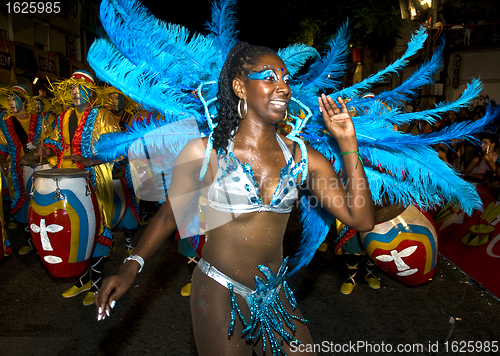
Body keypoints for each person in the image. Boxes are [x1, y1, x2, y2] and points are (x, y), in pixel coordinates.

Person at [95, 42, 375, 355]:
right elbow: (167, 215)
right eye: (269, 77)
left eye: (285, 79)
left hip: (274, 293)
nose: (282, 86)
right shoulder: (204, 153)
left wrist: (348, 143)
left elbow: (360, 218)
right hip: (217, 289)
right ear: (240, 87)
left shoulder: (304, 158)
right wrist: (131, 265)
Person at [36, 71, 121, 306]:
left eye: (79, 89)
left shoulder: (103, 116)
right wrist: (48, 151)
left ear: (90, 92)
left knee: (94, 228)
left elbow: (116, 149)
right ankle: (83, 279)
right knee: (73, 229)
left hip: (93, 179)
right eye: (71, 89)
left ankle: (96, 284)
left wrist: (91, 161)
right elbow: (55, 141)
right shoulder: (63, 117)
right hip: (66, 180)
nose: (74, 94)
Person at [0, 85, 52, 255]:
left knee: (39, 205)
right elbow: (2, 148)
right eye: (8, 99)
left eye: (14, 99)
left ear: (23, 101)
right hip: (15, 171)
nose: (11, 103)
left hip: (37, 169)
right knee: (22, 208)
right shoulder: (5, 122)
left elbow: (51, 143)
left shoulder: (38, 120)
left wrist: (39, 146)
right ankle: (30, 241)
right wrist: (2, 160)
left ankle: (43, 241)